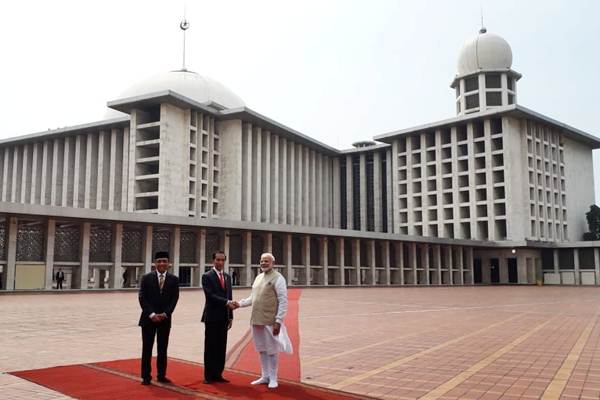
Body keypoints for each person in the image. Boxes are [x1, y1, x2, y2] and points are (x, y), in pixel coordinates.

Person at [233, 252, 292, 389]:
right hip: (257, 320)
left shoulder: (278, 278)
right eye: (261, 261)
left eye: (266, 261)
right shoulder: (259, 277)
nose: (263, 263)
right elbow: (253, 298)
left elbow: (283, 301)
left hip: (270, 320)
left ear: (273, 263)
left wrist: (278, 320)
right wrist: (239, 304)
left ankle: (273, 378)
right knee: (262, 349)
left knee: (272, 349)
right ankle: (264, 376)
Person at [138, 251, 179, 385]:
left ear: (169, 263)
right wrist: (152, 314)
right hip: (148, 320)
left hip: (164, 320)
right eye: (159, 261)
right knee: (147, 348)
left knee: (162, 348)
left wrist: (165, 314)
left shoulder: (174, 279)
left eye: (164, 261)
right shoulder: (146, 278)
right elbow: (142, 298)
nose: (162, 263)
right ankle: (146, 376)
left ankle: (161, 375)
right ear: (155, 263)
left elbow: (174, 299)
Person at [201, 250, 234, 384]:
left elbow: (229, 296)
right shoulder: (207, 276)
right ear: (213, 261)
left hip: (224, 317)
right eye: (218, 260)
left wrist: (230, 316)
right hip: (212, 317)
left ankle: (218, 374)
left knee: (221, 346)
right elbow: (210, 295)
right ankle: (208, 376)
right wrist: (226, 303)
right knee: (210, 346)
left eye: (222, 260)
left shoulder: (227, 277)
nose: (220, 262)